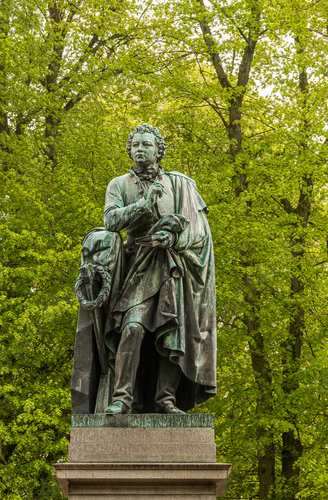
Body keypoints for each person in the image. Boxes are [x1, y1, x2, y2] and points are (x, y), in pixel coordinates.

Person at [101, 123, 217, 415]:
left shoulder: (180, 185)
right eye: (136, 144)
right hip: (136, 268)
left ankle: (166, 400)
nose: (140, 149)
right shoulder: (119, 184)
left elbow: (200, 232)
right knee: (132, 327)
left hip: (172, 265)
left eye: (147, 145)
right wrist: (143, 203)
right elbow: (111, 222)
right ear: (130, 149)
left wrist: (174, 238)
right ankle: (122, 398)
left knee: (173, 331)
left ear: (158, 150)